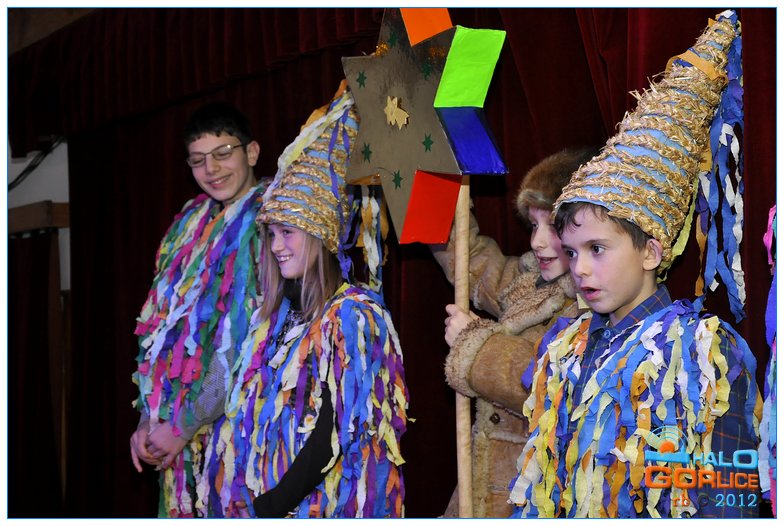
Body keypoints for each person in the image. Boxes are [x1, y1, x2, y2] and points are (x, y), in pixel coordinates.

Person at [508, 11, 761, 518]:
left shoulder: (701, 353)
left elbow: (728, 500)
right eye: (572, 252)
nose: (580, 269)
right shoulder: (563, 349)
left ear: (650, 251)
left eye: (597, 249)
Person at [194, 85, 409, 518]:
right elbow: (231, 401)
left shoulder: (354, 315)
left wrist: (273, 505)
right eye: (271, 234)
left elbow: (336, 430)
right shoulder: (270, 317)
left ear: (319, 234)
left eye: (288, 232)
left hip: (312, 508)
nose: (276, 246)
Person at [431, 147, 593, 517]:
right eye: (534, 226)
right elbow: (472, 261)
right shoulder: (530, 282)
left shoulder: (594, 304)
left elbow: (549, 386)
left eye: (552, 227)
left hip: (533, 500)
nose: (537, 241)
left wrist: (476, 344)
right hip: (483, 493)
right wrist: (436, 191)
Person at [129, 101, 268, 517]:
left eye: (223, 152)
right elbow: (160, 332)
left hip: (241, 431)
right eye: (197, 159)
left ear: (252, 152)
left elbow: (245, 343)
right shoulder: (188, 223)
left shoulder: (271, 219)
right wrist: (149, 419)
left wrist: (182, 426)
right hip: (181, 440)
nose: (211, 169)